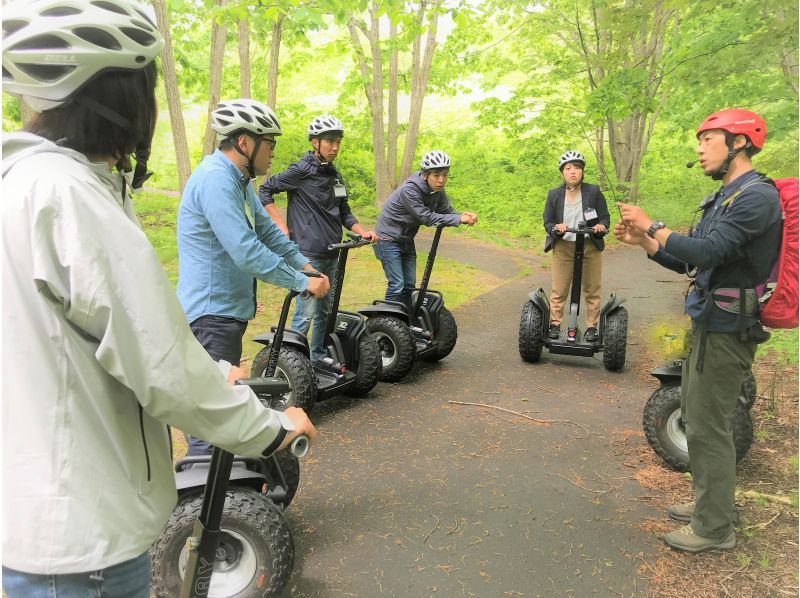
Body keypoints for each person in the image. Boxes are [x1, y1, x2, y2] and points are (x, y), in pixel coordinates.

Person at [1, 1, 316, 596]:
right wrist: (272, 428)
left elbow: (92, 345)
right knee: (205, 447)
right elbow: (166, 370)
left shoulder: (30, 187)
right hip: (84, 541)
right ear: (121, 97)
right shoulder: (71, 201)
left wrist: (216, 375)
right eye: (147, 87)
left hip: (51, 520)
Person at [615, 109, 781, 553]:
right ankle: (713, 505)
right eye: (700, 140)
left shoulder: (756, 198)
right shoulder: (724, 197)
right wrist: (645, 241)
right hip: (708, 323)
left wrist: (652, 224)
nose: (700, 148)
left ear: (739, 143)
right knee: (698, 415)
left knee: (709, 426)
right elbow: (692, 259)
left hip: (727, 330)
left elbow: (708, 251)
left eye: (708, 139)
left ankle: (714, 527)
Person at [177, 100, 330, 455]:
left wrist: (305, 266)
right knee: (211, 425)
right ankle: (205, 488)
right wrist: (300, 282)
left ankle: (221, 483)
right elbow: (246, 250)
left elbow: (267, 232)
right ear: (245, 142)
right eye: (269, 143)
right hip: (210, 317)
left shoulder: (239, 180)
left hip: (225, 315)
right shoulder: (216, 181)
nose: (273, 151)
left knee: (220, 413)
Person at [259, 115, 376, 361]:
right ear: (315, 142)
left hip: (332, 251)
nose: (335, 147)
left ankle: (318, 357)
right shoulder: (300, 171)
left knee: (325, 312)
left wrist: (361, 230)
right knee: (305, 313)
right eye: (330, 141)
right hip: (307, 254)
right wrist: (279, 223)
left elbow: (344, 211)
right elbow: (266, 190)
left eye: (338, 142)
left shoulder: (335, 176)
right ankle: (292, 362)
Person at [373, 150, 477, 304]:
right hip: (386, 239)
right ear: (425, 174)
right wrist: (458, 219)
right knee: (397, 285)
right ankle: (386, 316)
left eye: (445, 175)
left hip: (406, 239)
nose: (441, 180)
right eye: (436, 175)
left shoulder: (437, 191)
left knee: (409, 285)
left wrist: (464, 216)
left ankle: (404, 316)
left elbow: (447, 211)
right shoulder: (409, 190)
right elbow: (427, 218)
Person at [542, 150, 610, 342]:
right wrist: (556, 228)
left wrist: (600, 226)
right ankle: (555, 324)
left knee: (592, 288)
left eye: (577, 168)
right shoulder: (554, 195)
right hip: (563, 246)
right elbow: (548, 221)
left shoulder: (593, 192)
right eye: (568, 168)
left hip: (589, 246)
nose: (573, 171)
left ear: (582, 171)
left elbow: (604, 218)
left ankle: (591, 327)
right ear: (562, 172)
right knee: (559, 288)